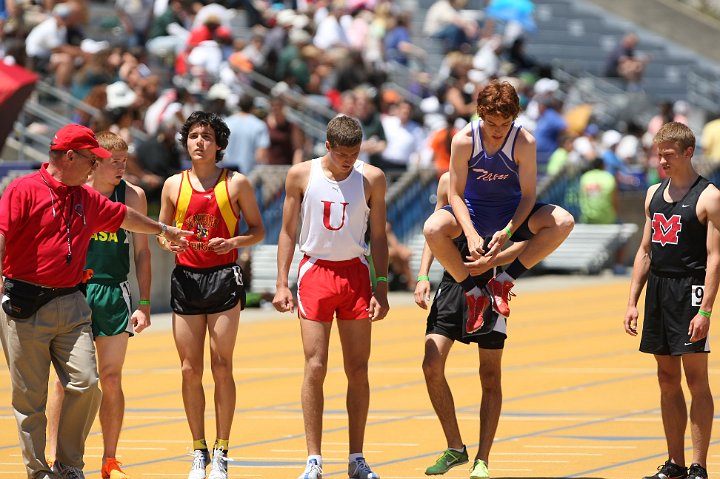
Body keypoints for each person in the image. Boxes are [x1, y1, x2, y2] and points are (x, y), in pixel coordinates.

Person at [0, 123, 191, 479]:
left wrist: (164, 229)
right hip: (25, 303)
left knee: (86, 382)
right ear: (70, 157)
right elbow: (1, 235)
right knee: (30, 398)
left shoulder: (84, 196)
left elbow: (125, 218)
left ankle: (70, 464)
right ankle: (38, 469)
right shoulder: (23, 189)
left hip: (72, 301)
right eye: (93, 160)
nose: (95, 167)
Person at [272, 115, 390, 479]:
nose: (348, 161)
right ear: (327, 146)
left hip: (355, 273)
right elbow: (288, 231)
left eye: (354, 154)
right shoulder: (301, 175)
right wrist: (281, 282)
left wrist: (381, 286)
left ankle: (356, 457)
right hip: (315, 272)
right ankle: (313, 459)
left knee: (358, 369)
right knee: (316, 365)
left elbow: (380, 236)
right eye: (342, 155)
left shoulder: (372, 178)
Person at [157, 111, 265, 479]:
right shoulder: (173, 184)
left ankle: (222, 449)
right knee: (189, 368)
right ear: (185, 142)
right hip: (186, 277)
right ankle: (197, 449)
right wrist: (167, 241)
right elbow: (162, 230)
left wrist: (232, 242)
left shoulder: (236, 184)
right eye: (193, 136)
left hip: (222, 277)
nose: (199, 142)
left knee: (221, 365)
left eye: (207, 136)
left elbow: (258, 231)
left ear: (219, 144)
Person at [423, 80, 574, 330]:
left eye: (506, 124)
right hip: (472, 210)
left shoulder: (524, 142)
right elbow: (456, 195)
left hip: (510, 210)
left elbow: (528, 196)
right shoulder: (464, 140)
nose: (498, 131)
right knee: (432, 228)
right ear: (481, 115)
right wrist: (470, 233)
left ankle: (504, 281)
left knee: (564, 221)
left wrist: (508, 232)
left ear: (515, 117)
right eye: (492, 124)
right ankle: (473, 294)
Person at [45, 131, 152, 479]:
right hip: (76, 290)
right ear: (96, 162)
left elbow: (142, 252)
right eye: (114, 162)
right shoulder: (79, 194)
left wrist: (145, 303)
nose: (122, 167)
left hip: (113, 292)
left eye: (125, 161)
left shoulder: (133, 196)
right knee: (64, 379)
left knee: (111, 377)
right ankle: (53, 455)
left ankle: (110, 458)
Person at [624, 122, 720, 479]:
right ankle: (675, 463)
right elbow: (645, 251)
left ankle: (699, 465)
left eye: (668, 154)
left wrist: (706, 309)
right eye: (658, 153)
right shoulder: (653, 194)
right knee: (666, 378)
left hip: (690, 289)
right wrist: (633, 300)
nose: (661, 159)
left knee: (696, 380)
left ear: (688, 152)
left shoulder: (709, 196)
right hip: (659, 291)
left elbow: (715, 258)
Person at [416, 172, 526, 479]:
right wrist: (423, 275)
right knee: (431, 364)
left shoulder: (508, 183)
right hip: (453, 283)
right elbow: (433, 233)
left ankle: (483, 458)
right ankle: (455, 447)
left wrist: (493, 261)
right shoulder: (446, 181)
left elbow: (524, 242)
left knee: (489, 374)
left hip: (492, 284)